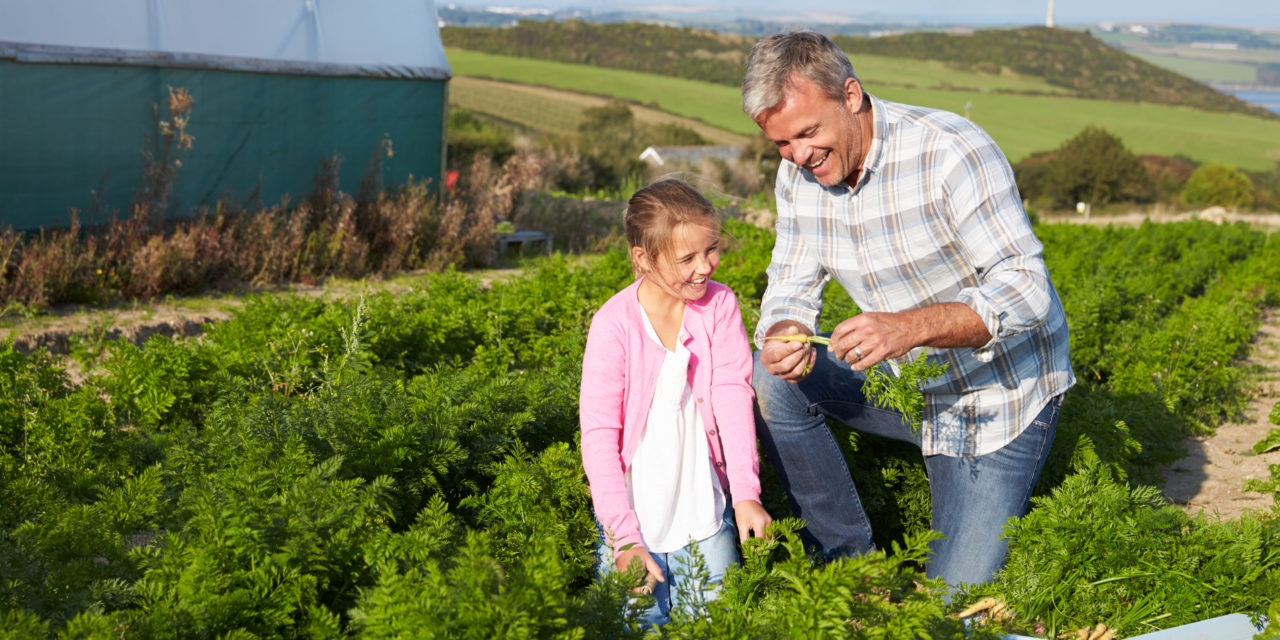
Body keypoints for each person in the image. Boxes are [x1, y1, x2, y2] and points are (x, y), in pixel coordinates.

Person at [740, 31, 1075, 595]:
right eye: (781, 144)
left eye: (807, 133)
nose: (798, 155)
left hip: (998, 401)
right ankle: (852, 571)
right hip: (905, 385)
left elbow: (1027, 291)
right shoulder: (798, 178)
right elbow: (790, 283)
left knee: (944, 614)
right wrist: (785, 330)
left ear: (850, 96)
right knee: (767, 379)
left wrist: (908, 327)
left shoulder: (950, 149)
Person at [579, 178, 773, 626]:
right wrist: (624, 538)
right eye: (687, 258)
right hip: (633, 527)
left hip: (704, 519)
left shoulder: (719, 306)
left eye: (711, 249)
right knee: (634, 628)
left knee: (716, 628)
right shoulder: (614, 325)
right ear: (643, 258)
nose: (705, 266)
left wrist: (745, 494)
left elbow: (732, 397)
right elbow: (600, 436)